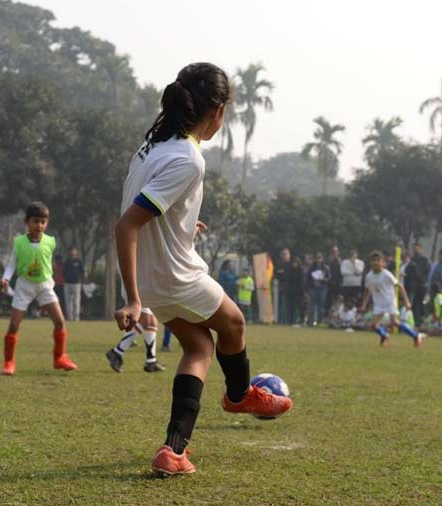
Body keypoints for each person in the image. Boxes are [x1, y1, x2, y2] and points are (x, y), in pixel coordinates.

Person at [113, 63, 291, 477]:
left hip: (154, 278)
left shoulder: (152, 146)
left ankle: (173, 451)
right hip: (175, 277)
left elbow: (145, 211)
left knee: (200, 348)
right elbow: (126, 224)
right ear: (217, 112)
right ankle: (239, 394)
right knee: (234, 324)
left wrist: (182, 227)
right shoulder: (189, 159)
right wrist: (132, 300)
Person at [0, 202, 77, 375]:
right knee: (13, 325)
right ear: (26, 222)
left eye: (43, 222)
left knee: (60, 322)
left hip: (45, 286)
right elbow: (12, 264)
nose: (39, 225)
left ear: (47, 223)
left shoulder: (50, 242)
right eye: (35, 221)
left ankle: (59, 358)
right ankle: (9, 362)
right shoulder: (19, 242)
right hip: (24, 285)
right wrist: (5, 279)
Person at [359, 250, 425, 347]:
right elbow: (367, 290)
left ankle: (416, 336)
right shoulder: (369, 276)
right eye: (373, 260)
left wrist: (407, 301)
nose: (376, 262)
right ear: (370, 263)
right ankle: (384, 335)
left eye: (378, 260)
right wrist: (364, 304)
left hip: (390, 302)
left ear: (383, 263)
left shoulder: (387, 274)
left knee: (395, 322)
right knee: (373, 325)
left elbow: (400, 286)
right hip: (379, 304)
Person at [306, 252, 329, 326]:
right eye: (317, 258)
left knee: (321, 307)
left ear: (322, 259)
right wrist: (312, 284)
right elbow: (308, 279)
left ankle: (319, 322)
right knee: (311, 306)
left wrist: (322, 280)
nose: (318, 259)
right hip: (313, 289)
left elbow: (329, 278)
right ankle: (310, 322)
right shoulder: (312, 268)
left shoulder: (326, 268)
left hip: (322, 288)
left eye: (320, 258)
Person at [63, 247, 85, 321]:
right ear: (69, 253)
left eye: (74, 253)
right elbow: (63, 272)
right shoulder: (67, 262)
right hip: (67, 284)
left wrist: (81, 280)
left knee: (76, 301)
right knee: (68, 301)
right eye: (71, 253)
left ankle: (76, 318)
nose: (72, 255)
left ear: (76, 254)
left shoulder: (79, 261)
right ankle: (70, 318)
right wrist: (65, 279)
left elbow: (83, 271)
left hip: (76, 284)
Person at [273, 248, 291, 324]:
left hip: (289, 287)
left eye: (286, 254)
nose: (284, 255)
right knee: (279, 304)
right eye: (283, 254)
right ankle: (279, 319)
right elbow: (276, 273)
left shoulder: (291, 264)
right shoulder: (278, 264)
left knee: (287, 304)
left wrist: (283, 273)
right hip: (279, 287)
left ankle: (287, 320)